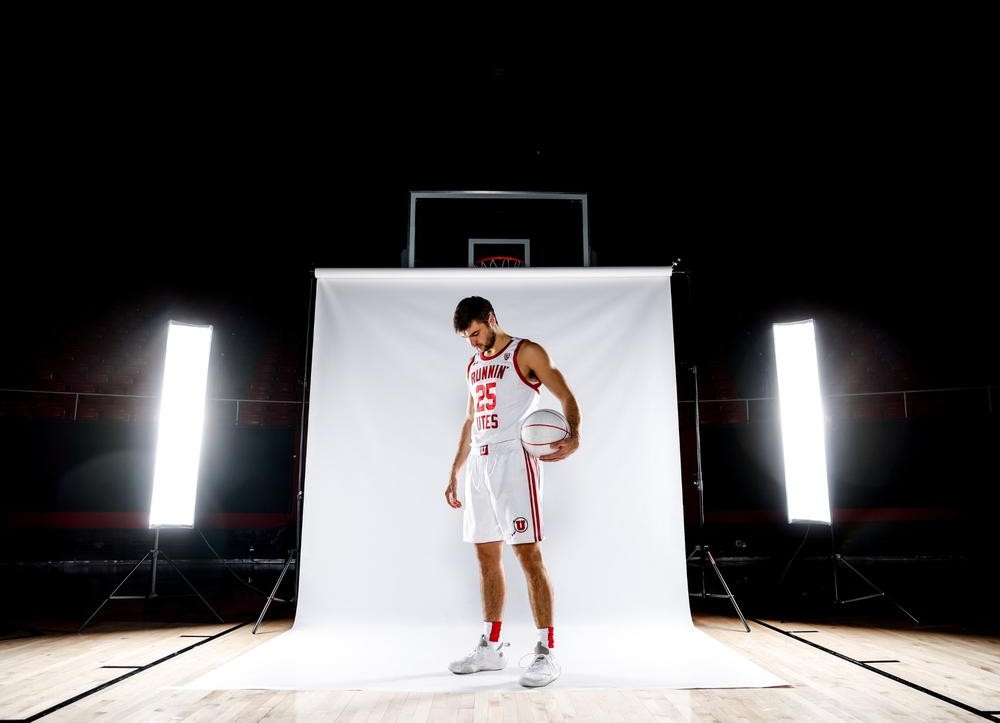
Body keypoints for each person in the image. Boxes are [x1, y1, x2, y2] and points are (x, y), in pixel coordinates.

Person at [445, 296, 580, 688]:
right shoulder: (473, 365)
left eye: (475, 333)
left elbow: (566, 395)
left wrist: (575, 434)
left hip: (514, 460)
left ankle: (546, 651)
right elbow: (470, 419)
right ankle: (491, 647)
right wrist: (455, 469)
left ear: (491, 319)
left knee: (528, 555)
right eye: (467, 338)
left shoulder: (526, 352)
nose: (473, 342)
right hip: (480, 463)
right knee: (486, 556)